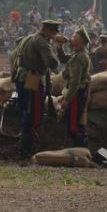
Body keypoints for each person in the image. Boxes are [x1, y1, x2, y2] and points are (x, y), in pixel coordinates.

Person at [14, 19, 62, 157]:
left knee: (27, 111)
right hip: (32, 79)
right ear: (47, 30)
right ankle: (25, 150)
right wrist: (55, 50)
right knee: (32, 112)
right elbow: (51, 62)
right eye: (53, 32)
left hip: (21, 77)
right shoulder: (42, 42)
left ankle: (24, 146)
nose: (53, 35)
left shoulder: (28, 38)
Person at [61, 27, 93, 150]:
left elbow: (74, 81)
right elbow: (64, 59)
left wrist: (67, 99)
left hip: (76, 94)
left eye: (74, 37)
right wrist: (60, 47)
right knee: (76, 122)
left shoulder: (79, 57)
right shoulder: (79, 54)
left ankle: (81, 151)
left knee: (74, 124)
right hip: (79, 92)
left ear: (80, 41)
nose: (71, 38)